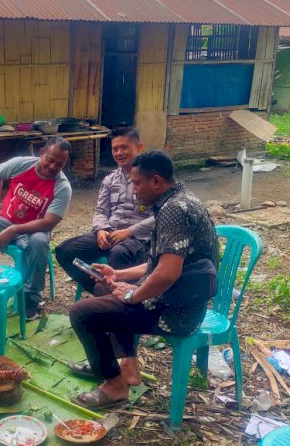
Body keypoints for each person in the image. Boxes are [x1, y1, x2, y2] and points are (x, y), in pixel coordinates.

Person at [69, 151, 220, 409]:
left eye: (137, 183)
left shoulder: (174, 210)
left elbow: (167, 274)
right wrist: (118, 276)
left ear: (157, 181)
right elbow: (158, 264)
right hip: (174, 298)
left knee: (80, 313)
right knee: (103, 286)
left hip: (174, 312)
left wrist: (132, 295)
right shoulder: (181, 199)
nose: (134, 190)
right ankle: (127, 366)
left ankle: (115, 386)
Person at [0, 137, 73, 319]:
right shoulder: (22, 165)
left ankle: (31, 298)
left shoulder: (62, 187)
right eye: (50, 160)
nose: (52, 167)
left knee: (39, 243)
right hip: (4, 220)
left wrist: (15, 230)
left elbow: (49, 222)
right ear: (41, 153)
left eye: (59, 164)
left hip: (33, 229)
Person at [56, 127, 153, 295]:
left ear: (138, 147)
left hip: (137, 239)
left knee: (118, 254)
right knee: (64, 251)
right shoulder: (110, 180)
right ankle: (101, 292)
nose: (119, 153)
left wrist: (129, 231)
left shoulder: (151, 178)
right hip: (109, 234)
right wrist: (101, 229)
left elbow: (159, 216)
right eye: (115, 149)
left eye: (124, 147)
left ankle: (124, 300)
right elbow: (101, 211)